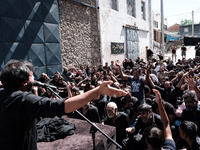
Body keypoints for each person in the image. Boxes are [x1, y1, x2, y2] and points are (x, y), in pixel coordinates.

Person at [0, 59, 127, 150]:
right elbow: (62, 106)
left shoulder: (3, 93)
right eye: (32, 76)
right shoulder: (22, 99)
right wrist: (98, 91)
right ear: (24, 82)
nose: (35, 78)